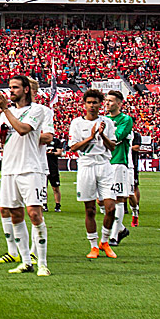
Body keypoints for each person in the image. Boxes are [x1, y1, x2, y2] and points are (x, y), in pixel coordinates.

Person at [0, 75, 50, 276]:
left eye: (15, 87)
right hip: (9, 169)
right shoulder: (7, 113)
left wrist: (5, 110)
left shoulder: (37, 110)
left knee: (34, 213)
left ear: (26, 89)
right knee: (15, 214)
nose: (11, 91)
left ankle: (42, 263)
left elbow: (23, 130)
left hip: (30, 168)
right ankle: (25, 262)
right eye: (10, 87)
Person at [68, 89, 118, 259]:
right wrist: (91, 137)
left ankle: (105, 241)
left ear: (100, 104)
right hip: (86, 165)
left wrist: (102, 135)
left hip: (104, 166)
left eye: (95, 102)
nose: (92, 106)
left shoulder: (107, 122)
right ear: (84, 104)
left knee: (111, 208)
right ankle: (93, 246)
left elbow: (112, 146)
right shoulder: (76, 123)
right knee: (90, 209)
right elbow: (73, 147)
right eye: (89, 102)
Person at [105, 91, 133, 247]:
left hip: (118, 162)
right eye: (106, 100)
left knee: (119, 198)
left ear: (119, 103)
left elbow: (117, 136)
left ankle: (114, 236)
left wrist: (102, 135)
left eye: (111, 101)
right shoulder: (103, 119)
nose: (107, 103)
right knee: (101, 201)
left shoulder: (125, 119)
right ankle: (121, 228)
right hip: (104, 162)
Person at [28, 79, 55, 212]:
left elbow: (48, 137)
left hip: (37, 164)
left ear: (33, 91)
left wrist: (23, 135)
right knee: (12, 211)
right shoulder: (11, 112)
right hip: (14, 166)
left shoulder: (44, 111)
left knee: (36, 210)